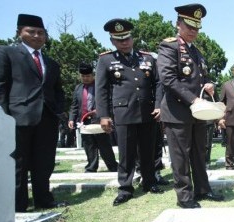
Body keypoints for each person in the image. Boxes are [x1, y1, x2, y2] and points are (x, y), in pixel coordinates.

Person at [0, 14, 67, 212]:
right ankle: (18, 205)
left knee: (44, 163)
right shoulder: (5, 52)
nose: (36, 36)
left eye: (41, 32)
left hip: (46, 118)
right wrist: (2, 117)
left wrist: (58, 111)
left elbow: (58, 91)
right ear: (19, 32)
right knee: (18, 164)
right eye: (31, 31)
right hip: (17, 117)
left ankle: (44, 199)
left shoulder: (51, 63)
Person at [157, 3, 224, 209]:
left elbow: (198, 80)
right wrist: (194, 99)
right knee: (181, 157)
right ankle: (185, 197)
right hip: (177, 113)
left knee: (199, 154)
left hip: (199, 113)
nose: (193, 31)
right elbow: (168, 79)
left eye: (196, 28)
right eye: (189, 26)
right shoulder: (169, 47)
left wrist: (208, 86)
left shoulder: (197, 52)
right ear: (178, 24)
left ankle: (203, 189)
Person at [95, 18, 163, 206]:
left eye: (127, 38)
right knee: (126, 153)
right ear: (112, 41)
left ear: (133, 38)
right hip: (123, 113)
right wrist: (104, 115)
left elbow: (158, 83)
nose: (124, 42)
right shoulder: (105, 59)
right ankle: (125, 188)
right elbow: (101, 89)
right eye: (119, 39)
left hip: (148, 111)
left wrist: (159, 105)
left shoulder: (147, 58)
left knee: (148, 151)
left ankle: (149, 182)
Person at [68, 63, 118, 173]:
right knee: (89, 146)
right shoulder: (78, 88)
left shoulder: (100, 86)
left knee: (104, 146)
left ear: (93, 75)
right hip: (84, 122)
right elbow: (74, 105)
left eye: (88, 76)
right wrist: (71, 118)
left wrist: (102, 112)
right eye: (83, 76)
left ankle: (113, 166)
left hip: (100, 120)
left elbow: (109, 101)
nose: (85, 78)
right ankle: (91, 167)